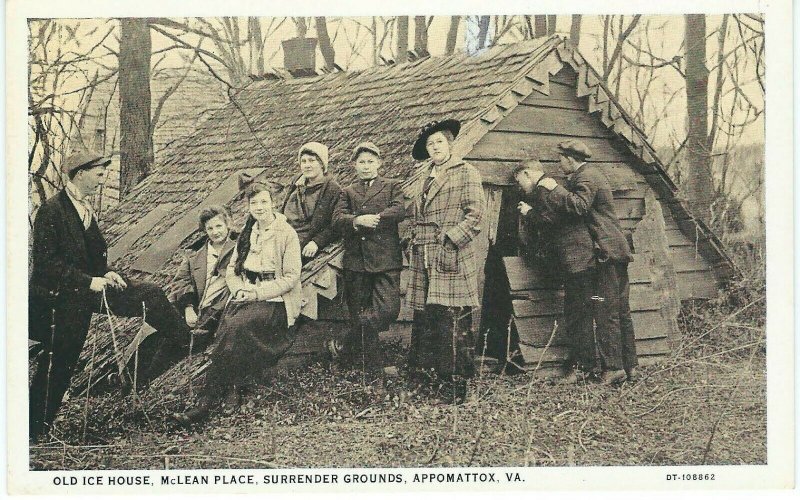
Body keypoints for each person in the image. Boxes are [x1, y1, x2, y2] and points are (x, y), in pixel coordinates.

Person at [29, 149, 191, 442]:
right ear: (80, 174)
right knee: (58, 364)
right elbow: (46, 265)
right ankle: (34, 431)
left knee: (149, 294)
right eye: (99, 174)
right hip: (58, 300)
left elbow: (90, 256)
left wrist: (108, 272)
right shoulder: (52, 211)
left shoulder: (85, 208)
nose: (103, 179)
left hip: (88, 289)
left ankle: (186, 341)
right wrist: (88, 281)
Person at [173, 179, 303, 425]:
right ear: (249, 206)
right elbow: (232, 270)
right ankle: (231, 387)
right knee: (225, 330)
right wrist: (239, 290)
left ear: (274, 203)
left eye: (264, 202)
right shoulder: (247, 232)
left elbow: (290, 278)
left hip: (275, 299)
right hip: (245, 293)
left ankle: (204, 403)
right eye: (255, 203)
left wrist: (256, 293)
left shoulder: (286, 234)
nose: (260, 207)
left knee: (235, 328)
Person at [521, 140, 637, 384]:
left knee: (607, 310)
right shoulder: (585, 176)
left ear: (571, 159)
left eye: (561, 159)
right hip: (610, 252)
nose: (559, 163)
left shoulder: (587, 177)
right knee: (616, 310)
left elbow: (579, 207)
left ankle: (614, 368)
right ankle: (627, 366)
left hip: (606, 253)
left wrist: (554, 190)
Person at [406, 119, 485, 404]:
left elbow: (475, 216)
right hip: (423, 255)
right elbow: (416, 216)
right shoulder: (423, 178)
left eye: (439, 141)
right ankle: (433, 377)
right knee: (430, 317)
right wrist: (411, 241)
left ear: (450, 144)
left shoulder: (466, 172)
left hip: (450, 254)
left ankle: (458, 384)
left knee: (454, 319)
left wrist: (450, 241)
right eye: (430, 144)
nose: (435, 147)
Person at [514, 159, 597, 383]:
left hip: (577, 261)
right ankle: (583, 364)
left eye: (519, 180)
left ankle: (582, 367)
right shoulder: (551, 185)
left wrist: (529, 212)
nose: (520, 185)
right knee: (579, 311)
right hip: (580, 260)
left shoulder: (542, 189)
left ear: (528, 173)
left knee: (577, 313)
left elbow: (550, 220)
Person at [329, 141, 406, 375]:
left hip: (385, 260)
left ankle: (344, 342)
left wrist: (376, 218)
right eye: (361, 162)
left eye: (370, 161)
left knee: (388, 309)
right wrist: (356, 221)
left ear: (379, 163)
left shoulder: (392, 186)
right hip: (357, 262)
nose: (366, 166)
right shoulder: (348, 191)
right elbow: (337, 219)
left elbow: (400, 209)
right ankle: (374, 370)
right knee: (360, 313)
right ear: (354, 165)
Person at [171, 205, 237, 339]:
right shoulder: (194, 256)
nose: (215, 232)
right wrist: (188, 308)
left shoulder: (239, 247)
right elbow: (180, 281)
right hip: (195, 310)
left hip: (220, 310)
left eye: (219, 226)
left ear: (227, 225)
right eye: (210, 228)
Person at [280, 142, 342, 261]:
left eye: (312, 160)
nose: (307, 165)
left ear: (322, 164)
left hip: (304, 241)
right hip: (284, 234)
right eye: (303, 161)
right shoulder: (297, 183)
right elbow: (282, 211)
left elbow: (336, 225)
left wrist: (316, 242)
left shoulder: (332, 189)